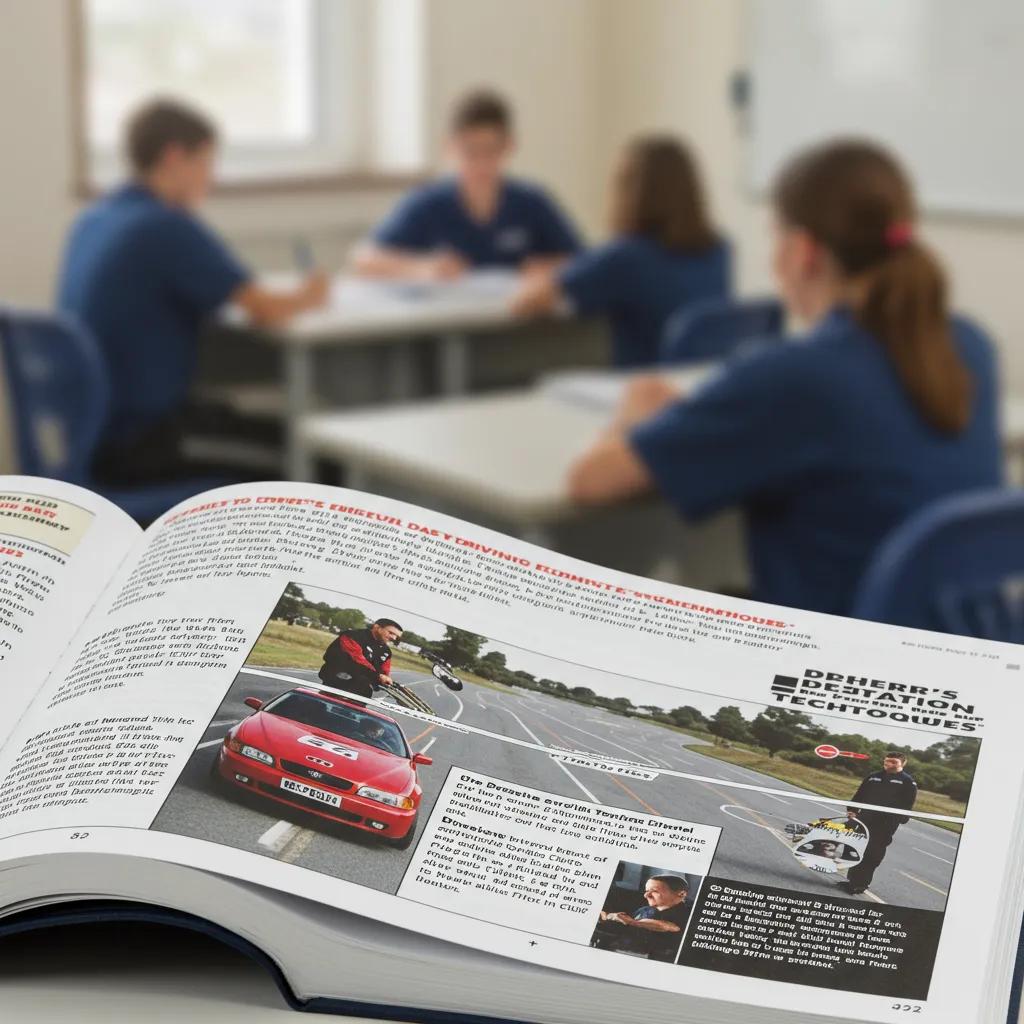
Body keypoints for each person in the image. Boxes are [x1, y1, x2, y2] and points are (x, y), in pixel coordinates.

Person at [566, 139, 1003, 615]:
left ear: (800, 251)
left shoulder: (792, 377)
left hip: (833, 668)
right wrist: (703, 420)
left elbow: (590, 482)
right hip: (970, 658)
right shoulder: (970, 348)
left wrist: (634, 418)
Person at [57, 97, 328, 487]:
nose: (211, 179)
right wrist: (311, 294)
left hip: (93, 434)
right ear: (174, 157)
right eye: (206, 163)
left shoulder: (96, 218)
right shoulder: (164, 226)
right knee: (315, 458)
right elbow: (263, 308)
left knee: (251, 425)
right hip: (143, 440)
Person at [512, 135, 730, 367]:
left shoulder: (624, 258)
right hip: (699, 386)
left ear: (630, 192)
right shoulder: (720, 250)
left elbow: (527, 302)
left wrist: (546, 274)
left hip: (639, 390)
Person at [353, 89, 581, 280]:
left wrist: (549, 268)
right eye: (471, 152)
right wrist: (422, 268)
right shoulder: (428, 204)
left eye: (491, 151)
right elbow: (364, 259)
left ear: (509, 146)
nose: (482, 164)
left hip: (517, 320)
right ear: (450, 147)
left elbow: (581, 260)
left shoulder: (532, 202)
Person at [841, 751, 917, 895]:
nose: (889, 764)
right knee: (856, 847)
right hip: (865, 818)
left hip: (886, 823)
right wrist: (852, 810)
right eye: (887, 761)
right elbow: (859, 794)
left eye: (893, 762)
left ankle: (860, 884)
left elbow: (908, 803)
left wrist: (900, 818)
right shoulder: (873, 777)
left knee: (872, 853)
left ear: (903, 763)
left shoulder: (908, 781)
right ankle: (852, 881)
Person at [595, 875, 692, 962]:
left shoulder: (687, 913)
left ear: (681, 894)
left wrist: (632, 922)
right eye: (646, 891)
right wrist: (608, 917)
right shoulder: (643, 910)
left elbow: (670, 927)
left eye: (654, 891)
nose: (646, 895)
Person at [319, 618, 403, 699]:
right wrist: (378, 676)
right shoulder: (352, 636)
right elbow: (356, 660)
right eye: (391, 633)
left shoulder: (386, 652)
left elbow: (384, 673)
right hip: (337, 681)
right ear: (377, 627)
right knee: (322, 708)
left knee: (357, 709)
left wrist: (385, 680)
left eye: (396, 636)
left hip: (361, 691)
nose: (394, 638)